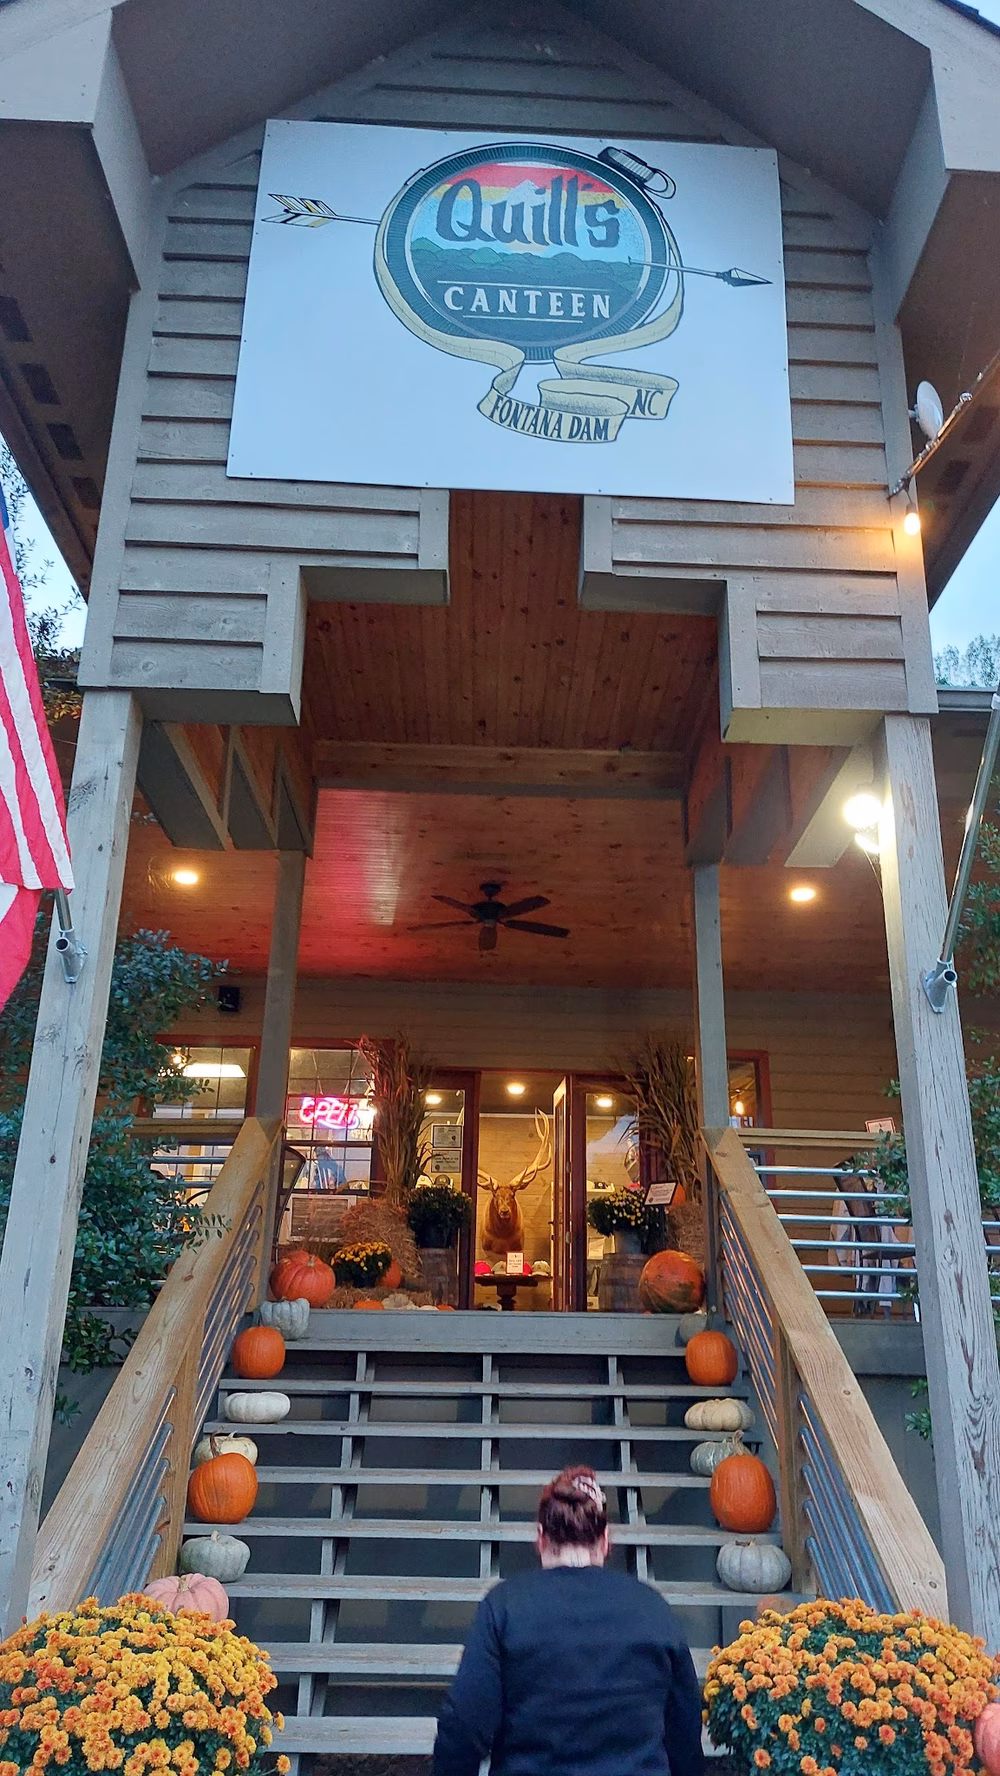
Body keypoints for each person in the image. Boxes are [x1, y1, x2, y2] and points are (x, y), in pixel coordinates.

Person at [432, 1463, 705, 1776]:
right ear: (604, 1540)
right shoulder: (654, 1609)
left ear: (540, 1537)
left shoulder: (505, 1607)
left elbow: (463, 1727)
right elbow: (684, 1730)